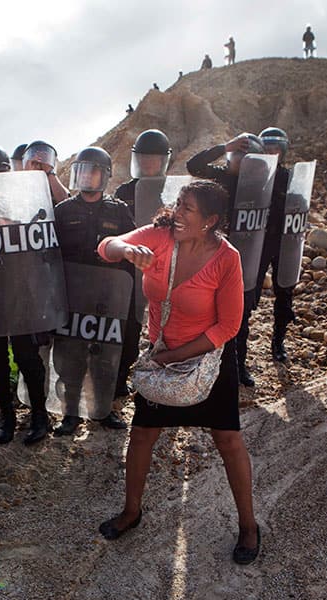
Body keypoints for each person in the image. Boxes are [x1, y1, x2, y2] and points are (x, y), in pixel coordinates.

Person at [95, 180, 259, 565]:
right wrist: (127, 249)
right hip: (162, 353)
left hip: (208, 359)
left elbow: (228, 326)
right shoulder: (159, 237)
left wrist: (175, 357)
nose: (178, 213)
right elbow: (106, 247)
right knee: (142, 435)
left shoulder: (226, 258)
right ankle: (131, 512)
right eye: (178, 204)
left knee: (228, 440)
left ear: (210, 221)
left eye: (188, 209)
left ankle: (249, 526)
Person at [0, 145, 53, 445]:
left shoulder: (19, 197)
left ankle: (39, 414)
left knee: (27, 356)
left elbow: (31, 229)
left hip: (18, 292)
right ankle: (6, 415)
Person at [52, 147, 135, 435]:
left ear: (105, 176)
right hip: (72, 297)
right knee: (69, 358)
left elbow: (130, 251)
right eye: (82, 170)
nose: (87, 176)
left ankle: (103, 410)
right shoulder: (62, 212)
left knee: (104, 356)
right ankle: (70, 414)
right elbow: (50, 255)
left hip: (105, 300)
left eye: (93, 170)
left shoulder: (119, 210)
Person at [234, 127, 296, 388]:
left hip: (282, 244)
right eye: (267, 148)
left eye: (276, 149)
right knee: (245, 299)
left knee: (285, 294)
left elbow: (299, 206)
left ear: (282, 151)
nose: (272, 152)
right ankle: (239, 360)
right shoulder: (252, 175)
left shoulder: (289, 177)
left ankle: (278, 343)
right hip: (255, 245)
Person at [114, 129, 172, 396]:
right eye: (144, 158)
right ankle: (120, 376)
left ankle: (158, 372)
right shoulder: (124, 191)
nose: (149, 163)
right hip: (131, 270)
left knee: (164, 325)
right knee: (130, 325)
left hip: (164, 268)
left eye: (155, 158)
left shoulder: (172, 192)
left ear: (163, 161)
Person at [185, 132, 265, 211]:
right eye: (237, 155)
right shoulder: (221, 174)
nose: (239, 161)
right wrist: (224, 148)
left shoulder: (261, 182)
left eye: (244, 158)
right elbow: (193, 166)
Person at [22, 140, 69, 205]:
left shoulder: (53, 186)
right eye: (34, 163)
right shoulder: (21, 185)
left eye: (43, 160)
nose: (38, 166)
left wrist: (49, 171)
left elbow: (65, 202)